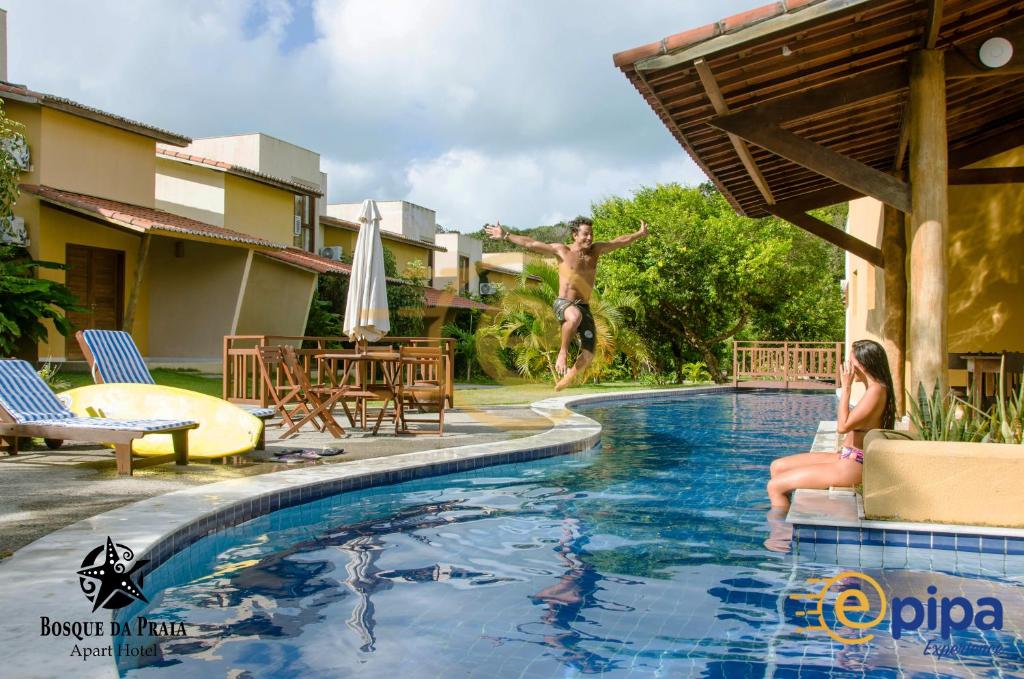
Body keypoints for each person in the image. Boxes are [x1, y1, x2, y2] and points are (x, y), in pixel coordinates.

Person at [484, 216, 648, 390]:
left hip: (583, 306)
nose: (590, 238)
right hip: (564, 303)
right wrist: (505, 235)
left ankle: (566, 379)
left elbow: (620, 241)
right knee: (574, 316)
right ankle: (562, 353)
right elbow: (531, 243)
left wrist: (639, 233)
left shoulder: (596, 250)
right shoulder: (562, 251)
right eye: (585, 234)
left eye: (591, 234)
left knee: (588, 354)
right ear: (575, 235)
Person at [766, 339, 895, 511]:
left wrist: (846, 387)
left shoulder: (876, 390)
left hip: (855, 465)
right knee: (777, 466)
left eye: (851, 363)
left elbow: (842, 426)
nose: (847, 367)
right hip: (848, 456)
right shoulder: (873, 389)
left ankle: (780, 534)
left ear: (863, 365)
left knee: (774, 487)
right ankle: (786, 511)